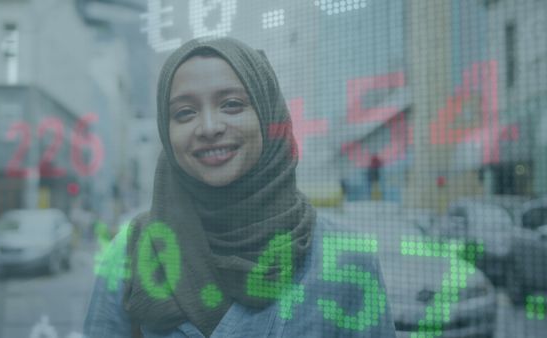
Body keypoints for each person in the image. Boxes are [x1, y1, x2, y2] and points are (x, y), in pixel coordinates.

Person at [84, 37, 395, 338]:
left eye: (232, 105)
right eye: (184, 113)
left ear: (267, 113)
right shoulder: (130, 253)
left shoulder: (345, 259)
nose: (208, 127)